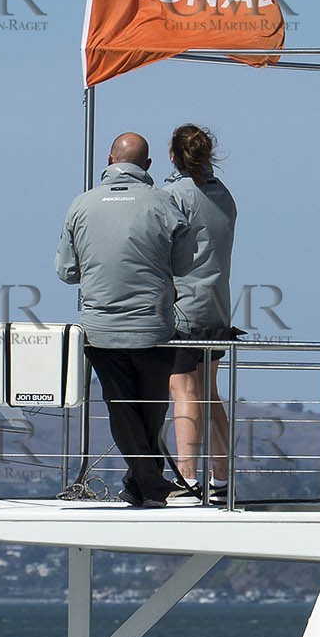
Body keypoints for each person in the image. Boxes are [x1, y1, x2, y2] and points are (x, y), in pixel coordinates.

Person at [56, 132, 192, 508]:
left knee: (121, 405)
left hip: (101, 328)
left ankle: (141, 484)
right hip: (153, 327)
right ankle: (150, 483)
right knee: (150, 408)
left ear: (110, 160)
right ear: (147, 166)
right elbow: (184, 265)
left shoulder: (81, 206)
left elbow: (66, 271)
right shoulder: (163, 204)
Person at [164, 124, 237, 496]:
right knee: (209, 391)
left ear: (173, 155)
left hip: (183, 308)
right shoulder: (224, 194)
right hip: (217, 307)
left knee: (182, 390)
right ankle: (221, 478)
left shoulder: (174, 195)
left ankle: (187, 478)